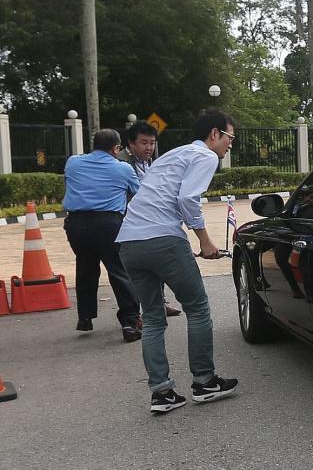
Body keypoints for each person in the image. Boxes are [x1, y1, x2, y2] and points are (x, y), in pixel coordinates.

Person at [116, 109, 239, 414]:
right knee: (197, 308)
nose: (230, 145)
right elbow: (187, 199)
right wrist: (205, 240)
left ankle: (162, 393)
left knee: (153, 317)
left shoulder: (173, 155)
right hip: (164, 240)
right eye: (230, 138)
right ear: (215, 134)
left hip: (129, 242)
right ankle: (205, 382)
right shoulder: (206, 156)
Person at [63, 129, 142, 342]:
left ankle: (85, 317)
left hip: (77, 226)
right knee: (119, 271)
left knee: (86, 267)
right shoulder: (123, 168)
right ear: (116, 148)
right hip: (109, 225)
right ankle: (130, 322)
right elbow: (140, 194)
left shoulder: (72, 163)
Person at [124, 120, 182, 318]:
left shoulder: (150, 164)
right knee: (134, 274)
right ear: (131, 144)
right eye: (143, 142)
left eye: (152, 142)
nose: (149, 147)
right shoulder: (124, 166)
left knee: (157, 267)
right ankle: (136, 313)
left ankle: (160, 303)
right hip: (132, 226)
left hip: (153, 224)